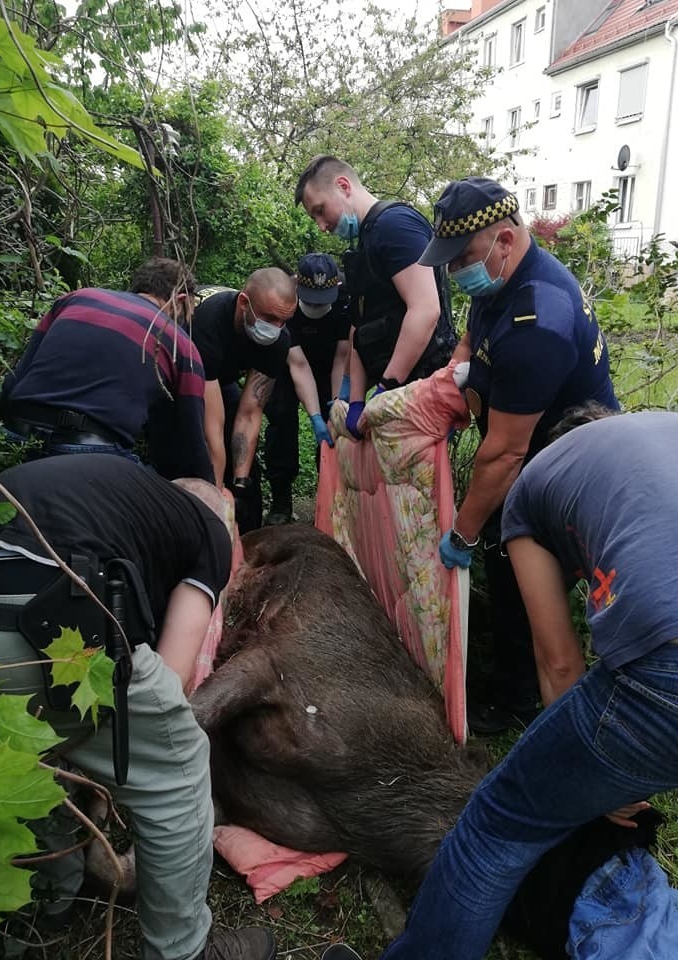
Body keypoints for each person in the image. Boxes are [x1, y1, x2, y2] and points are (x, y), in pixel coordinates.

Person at [378, 407, 678, 960]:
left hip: (667, 671)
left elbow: (560, 663)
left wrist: (595, 781)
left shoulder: (532, 489)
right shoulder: (658, 434)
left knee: (493, 829)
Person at [0, 454, 276, 960]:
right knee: (178, 769)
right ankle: (184, 950)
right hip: (47, 616)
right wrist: (132, 767)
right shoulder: (207, 528)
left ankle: (48, 903)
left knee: (28, 754)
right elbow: (172, 682)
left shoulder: (107, 491)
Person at [421, 176, 619, 734]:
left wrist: (462, 532)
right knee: (505, 565)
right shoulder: (499, 285)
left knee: (521, 573)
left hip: (562, 469)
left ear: (503, 241)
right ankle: (514, 676)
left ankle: (521, 700)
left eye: (462, 259)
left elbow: (504, 454)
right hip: (525, 449)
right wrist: (454, 379)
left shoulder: (540, 319)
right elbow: (470, 336)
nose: (458, 273)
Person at [0, 257, 217, 483]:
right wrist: (207, 495)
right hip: (92, 457)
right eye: (188, 310)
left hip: (16, 434)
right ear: (179, 300)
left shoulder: (75, 299)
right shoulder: (181, 345)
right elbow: (191, 443)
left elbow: (15, 379)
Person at [294, 155, 456, 440]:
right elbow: (360, 327)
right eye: (314, 217)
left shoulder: (395, 226)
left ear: (343, 186)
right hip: (395, 395)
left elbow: (426, 309)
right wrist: (355, 398)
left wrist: (385, 388)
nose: (321, 226)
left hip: (417, 389)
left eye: (320, 210)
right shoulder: (367, 239)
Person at [190, 268, 297, 533]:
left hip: (221, 377)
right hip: (181, 376)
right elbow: (211, 424)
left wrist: (240, 484)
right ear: (243, 303)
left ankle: (247, 546)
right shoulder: (207, 321)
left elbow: (250, 412)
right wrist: (216, 493)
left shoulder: (278, 340)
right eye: (269, 318)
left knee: (247, 484)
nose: (274, 329)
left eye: (283, 321)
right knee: (197, 461)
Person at [263, 253, 350, 525]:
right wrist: (313, 417)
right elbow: (298, 365)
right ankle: (280, 502)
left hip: (328, 365)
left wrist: (335, 404)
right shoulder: (285, 299)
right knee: (281, 419)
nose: (315, 305)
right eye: (309, 299)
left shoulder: (346, 301)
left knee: (335, 428)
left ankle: (330, 499)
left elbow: (342, 356)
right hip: (289, 364)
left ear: (335, 288)